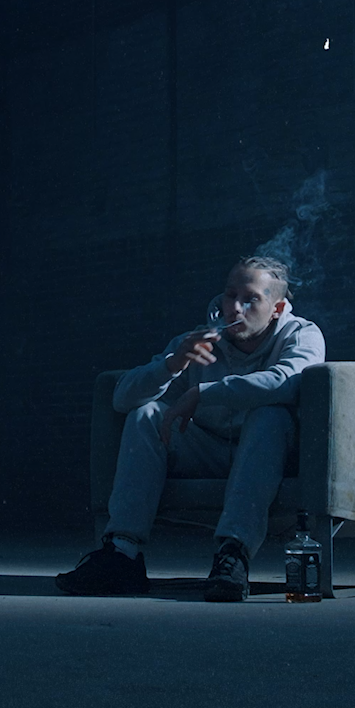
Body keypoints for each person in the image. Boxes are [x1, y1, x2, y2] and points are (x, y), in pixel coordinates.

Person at [55, 255, 326, 602]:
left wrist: (205, 393)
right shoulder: (198, 340)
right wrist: (172, 365)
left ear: (277, 308)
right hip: (209, 452)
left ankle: (233, 555)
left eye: (250, 298)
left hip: (269, 453)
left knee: (269, 416)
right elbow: (122, 397)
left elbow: (287, 381)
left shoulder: (302, 333)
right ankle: (122, 555)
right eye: (230, 296)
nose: (235, 308)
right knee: (146, 414)